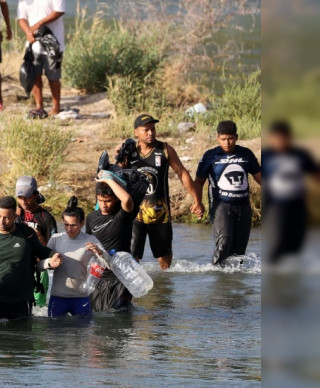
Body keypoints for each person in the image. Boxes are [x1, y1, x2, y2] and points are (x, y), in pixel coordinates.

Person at [118, 114, 205, 270]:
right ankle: (132, 289)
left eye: (153, 129)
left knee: (164, 256)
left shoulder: (165, 149)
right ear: (136, 132)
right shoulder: (128, 151)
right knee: (132, 254)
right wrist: (120, 157)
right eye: (146, 130)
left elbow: (182, 173)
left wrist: (196, 200)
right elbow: (118, 176)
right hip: (134, 214)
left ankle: (164, 286)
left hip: (160, 213)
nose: (150, 133)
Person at [195, 120, 262, 265]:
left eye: (230, 138)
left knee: (239, 253)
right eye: (223, 139)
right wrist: (198, 202)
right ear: (217, 137)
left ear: (236, 137)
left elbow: (260, 177)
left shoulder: (246, 154)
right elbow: (199, 182)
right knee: (224, 243)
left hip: (244, 207)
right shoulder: (210, 156)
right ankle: (217, 277)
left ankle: (234, 285)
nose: (227, 142)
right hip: (220, 206)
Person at [261, 120, 320, 263]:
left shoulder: (300, 154)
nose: (280, 141)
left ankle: (291, 279)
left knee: (296, 246)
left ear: (289, 138)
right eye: (277, 138)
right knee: (278, 244)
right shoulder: (266, 156)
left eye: (283, 137)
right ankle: (273, 275)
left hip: (298, 205)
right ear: (271, 138)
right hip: (275, 207)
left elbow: (315, 173)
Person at [41, 196, 105, 318]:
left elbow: (108, 264)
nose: (69, 229)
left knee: (83, 335)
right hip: (58, 297)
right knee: (54, 335)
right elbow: (39, 266)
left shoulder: (91, 240)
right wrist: (50, 263)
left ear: (82, 223)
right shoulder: (55, 239)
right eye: (66, 224)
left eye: (74, 225)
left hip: (81, 298)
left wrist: (100, 253)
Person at [85, 172, 136, 311]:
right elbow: (88, 246)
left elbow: (127, 199)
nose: (104, 205)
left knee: (118, 316)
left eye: (107, 200)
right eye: (100, 200)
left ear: (116, 199)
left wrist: (108, 180)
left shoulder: (122, 216)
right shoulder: (91, 218)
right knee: (96, 319)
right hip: (98, 277)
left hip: (121, 278)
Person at [17, 0, 66, 118]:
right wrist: (28, 31)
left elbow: (59, 11)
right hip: (34, 44)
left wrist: (39, 24)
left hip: (54, 44)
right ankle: (39, 106)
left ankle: (56, 106)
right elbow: (21, 18)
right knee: (34, 75)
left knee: (53, 77)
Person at [15, 175, 57, 307]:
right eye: (20, 198)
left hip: (39, 268)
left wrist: (38, 237)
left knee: (37, 306)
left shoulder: (46, 218)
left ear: (35, 195)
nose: (24, 201)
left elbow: (52, 249)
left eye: (27, 197)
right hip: (19, 265)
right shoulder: (15, 215)